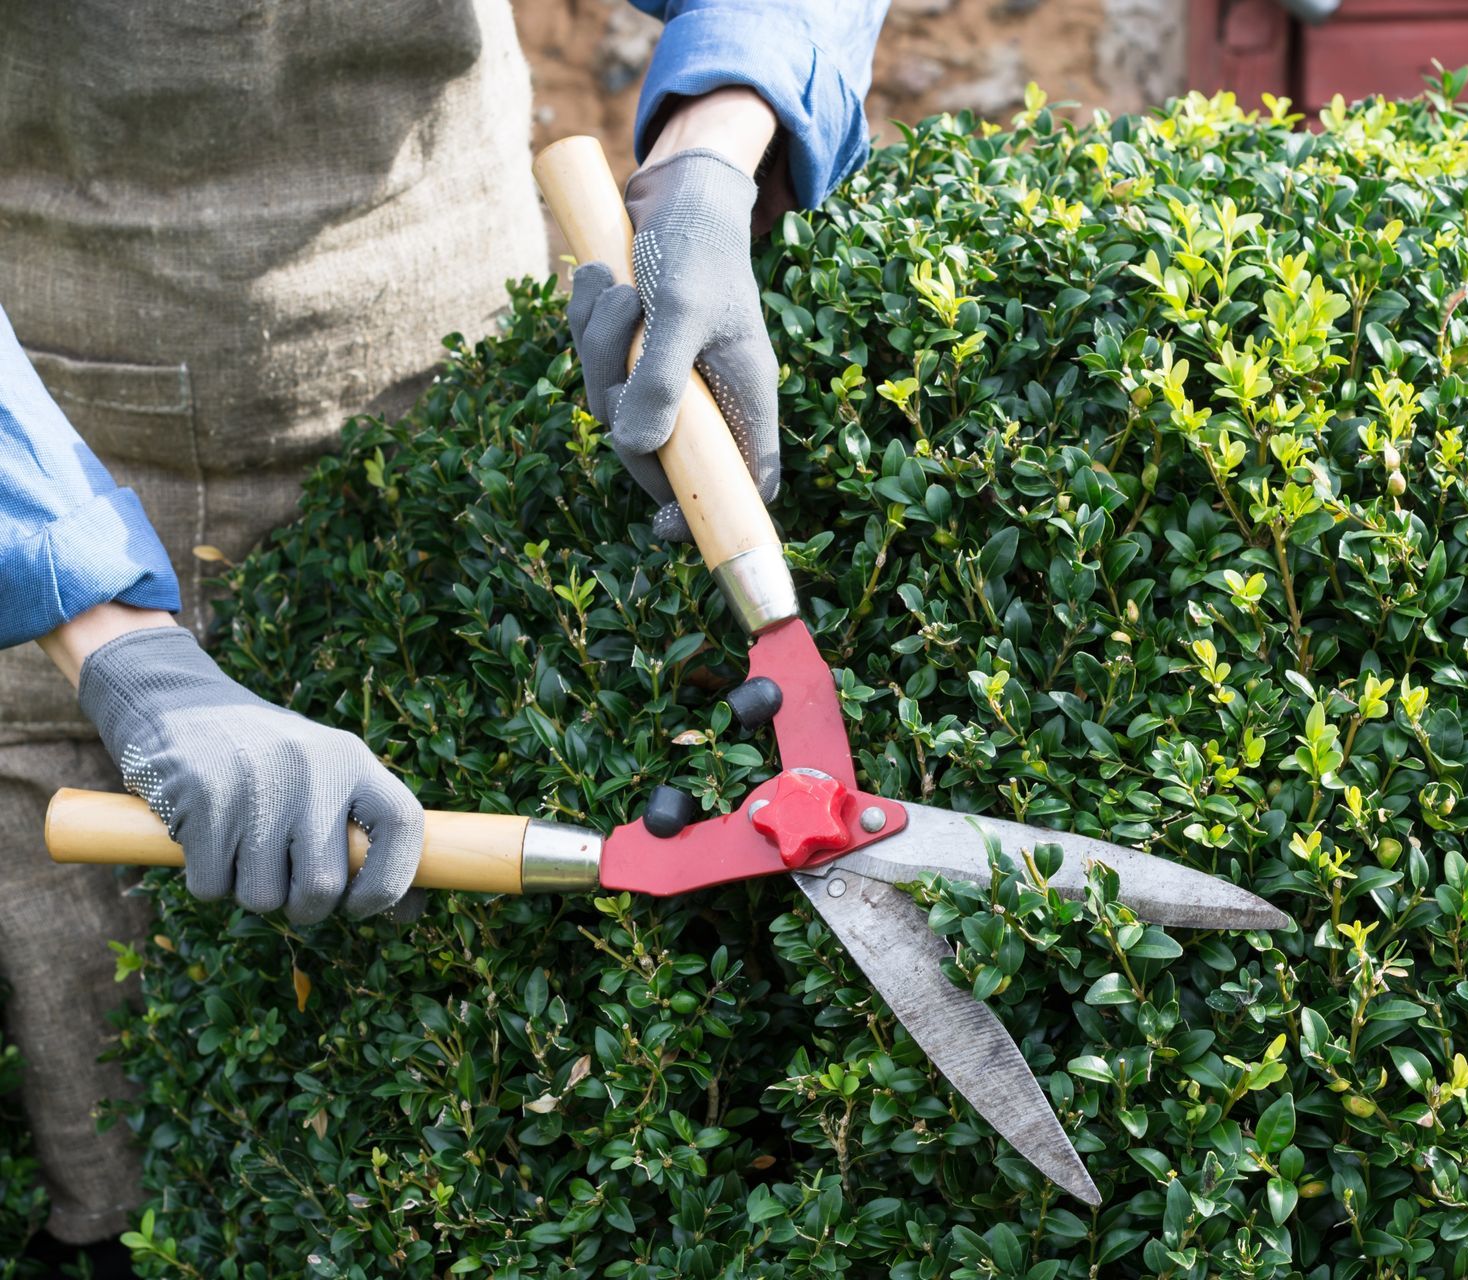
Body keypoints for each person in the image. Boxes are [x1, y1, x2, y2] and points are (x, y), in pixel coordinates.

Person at [0, 0, 888, 1265]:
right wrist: (111, 639)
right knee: (131, 1178)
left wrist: (715, 142)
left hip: (456, 362)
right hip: (60, 411)